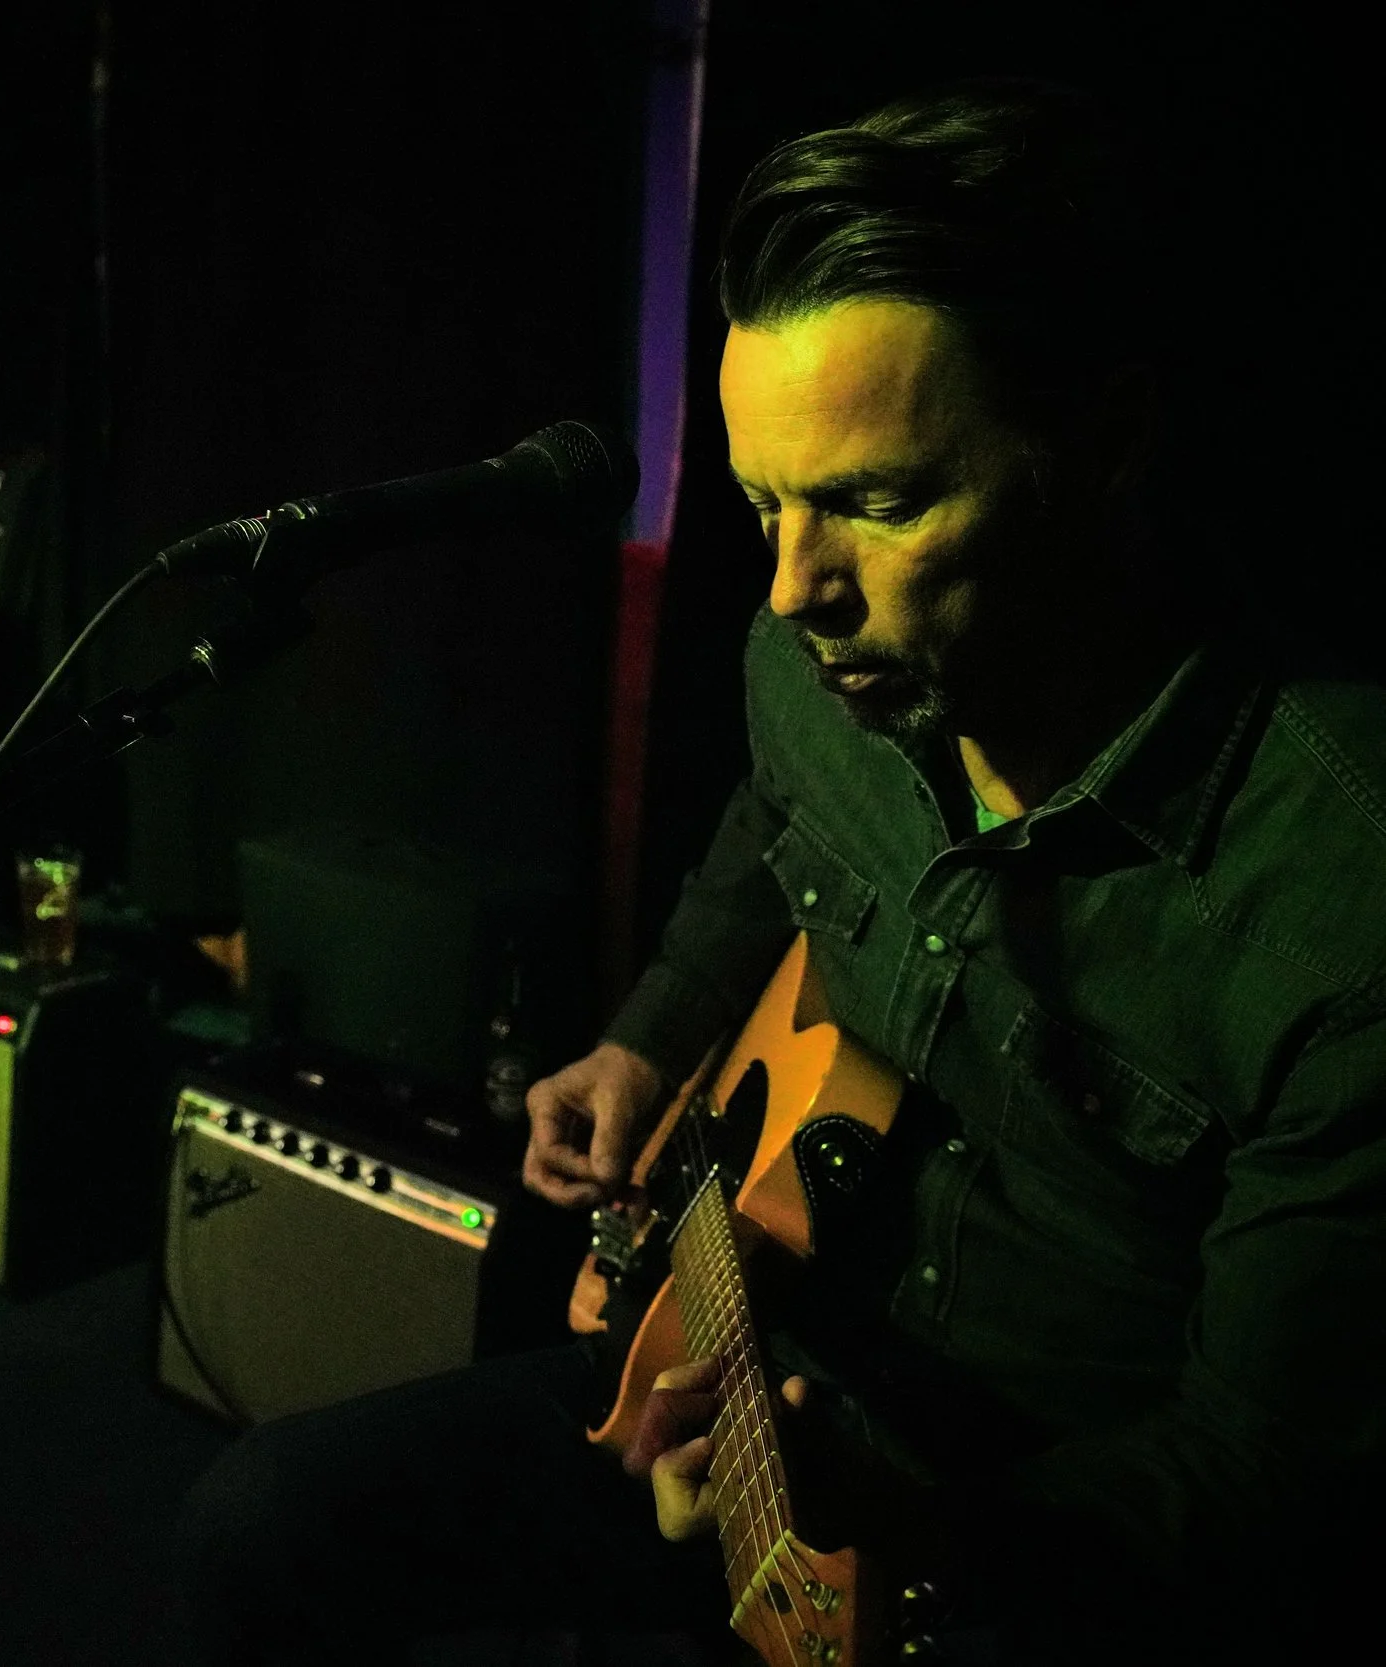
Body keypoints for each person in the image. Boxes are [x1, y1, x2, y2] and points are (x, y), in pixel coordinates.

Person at [171, 82, 1384, 1664]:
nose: (794, 587)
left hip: (1056, 1521)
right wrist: (652, 1035)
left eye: (882, 502)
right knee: (259, 1525)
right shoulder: (828, 656)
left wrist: (910, 1520)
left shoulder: (1337, 898)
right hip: (776, 1341)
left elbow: (1262, 1478)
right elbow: (772, 824)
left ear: (1103, 444)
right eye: (760, 502)